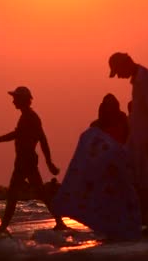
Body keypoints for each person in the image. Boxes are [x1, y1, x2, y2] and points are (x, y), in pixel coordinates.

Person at [53, 93, 141, 240]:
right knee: (107, 200)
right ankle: (112, 230)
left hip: (118, 168)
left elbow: (127, 143)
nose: (108, 110)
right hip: (104, 170)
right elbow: (88, 150)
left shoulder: (123, 122)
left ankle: (124, 229)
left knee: (121, 199)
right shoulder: (95, 128)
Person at [0, 86, 67, 233]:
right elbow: (35, 137)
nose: (13, 101)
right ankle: (59, 221)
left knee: (15, 194)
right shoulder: (27, 116)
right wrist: (48, 162)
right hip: (24, 160)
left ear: (23, 100)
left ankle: (3, 228)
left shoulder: (30, 117)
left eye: (15, 98)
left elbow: (40, 139)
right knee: (39, 194)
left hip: (26, 161)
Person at [109, 52, 148, 236]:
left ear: (125, 64)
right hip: (138, 141)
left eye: (118, 71)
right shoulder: (138, 81)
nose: (118, 76)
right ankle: (143, 221)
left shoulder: (147, 79)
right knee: (139, 182)